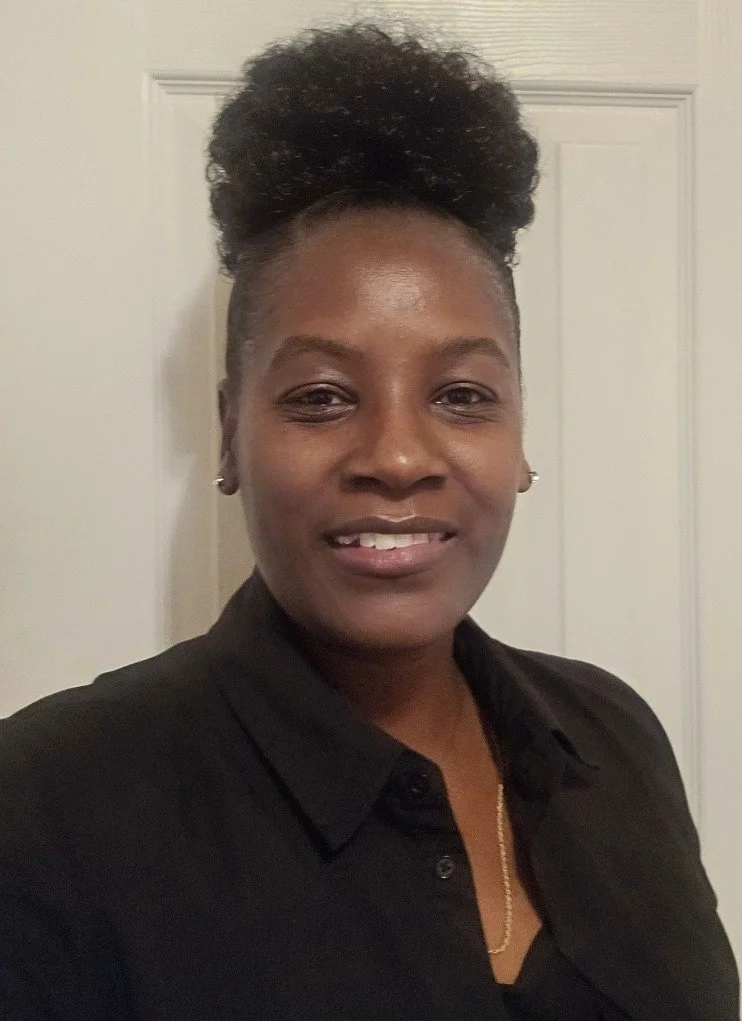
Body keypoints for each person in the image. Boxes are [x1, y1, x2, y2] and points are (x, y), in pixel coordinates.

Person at [0, 22, 737, 1021]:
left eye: (463, 396)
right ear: (228, 435)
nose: (395, 456)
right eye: (319, 397)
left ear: (520, 434)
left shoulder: (612, 739)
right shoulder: (47, 805)